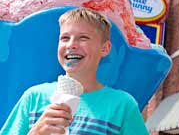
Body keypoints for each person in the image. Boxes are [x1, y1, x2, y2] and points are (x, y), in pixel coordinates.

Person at [0, 7, 149, 135]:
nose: (71, 45)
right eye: (65, 38)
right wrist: (35, 132)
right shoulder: (34, 97)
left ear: (105, 48)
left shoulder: (122, 105)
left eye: (83, 38)